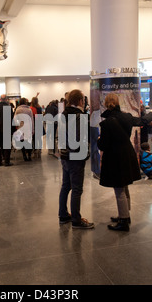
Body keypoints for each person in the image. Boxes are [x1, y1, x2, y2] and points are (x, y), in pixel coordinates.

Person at [97, 93, 152, 231]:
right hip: (127, 154)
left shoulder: (106, 123)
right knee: (124, 186)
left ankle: (123, 221)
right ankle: (125, 215)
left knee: (119, 189)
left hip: (114, 157)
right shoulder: (127, 117)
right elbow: (142, 121)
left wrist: (98, 140)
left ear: (106, 104)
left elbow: (102, 145)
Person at [58, 89, 94, 229]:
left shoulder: (62, 115)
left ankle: (63, 215)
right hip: (76, 158)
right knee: (77, 189)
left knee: (66, 186)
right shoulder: (80, 116)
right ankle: (76, 220)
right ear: (80, 101)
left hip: (65, 155)